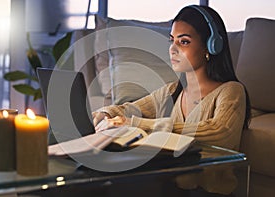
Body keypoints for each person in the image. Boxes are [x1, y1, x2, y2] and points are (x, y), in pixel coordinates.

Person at [93, 5, 251, 152]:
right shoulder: (171, 91)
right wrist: (105, 115)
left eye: (184, 42)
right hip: (170, 179)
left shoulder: (231, 90)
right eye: (171, 40)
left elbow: (219, 133)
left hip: (208, 181)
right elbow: (126, 109)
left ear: (210, 46)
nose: (173, 49)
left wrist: (139, 124)